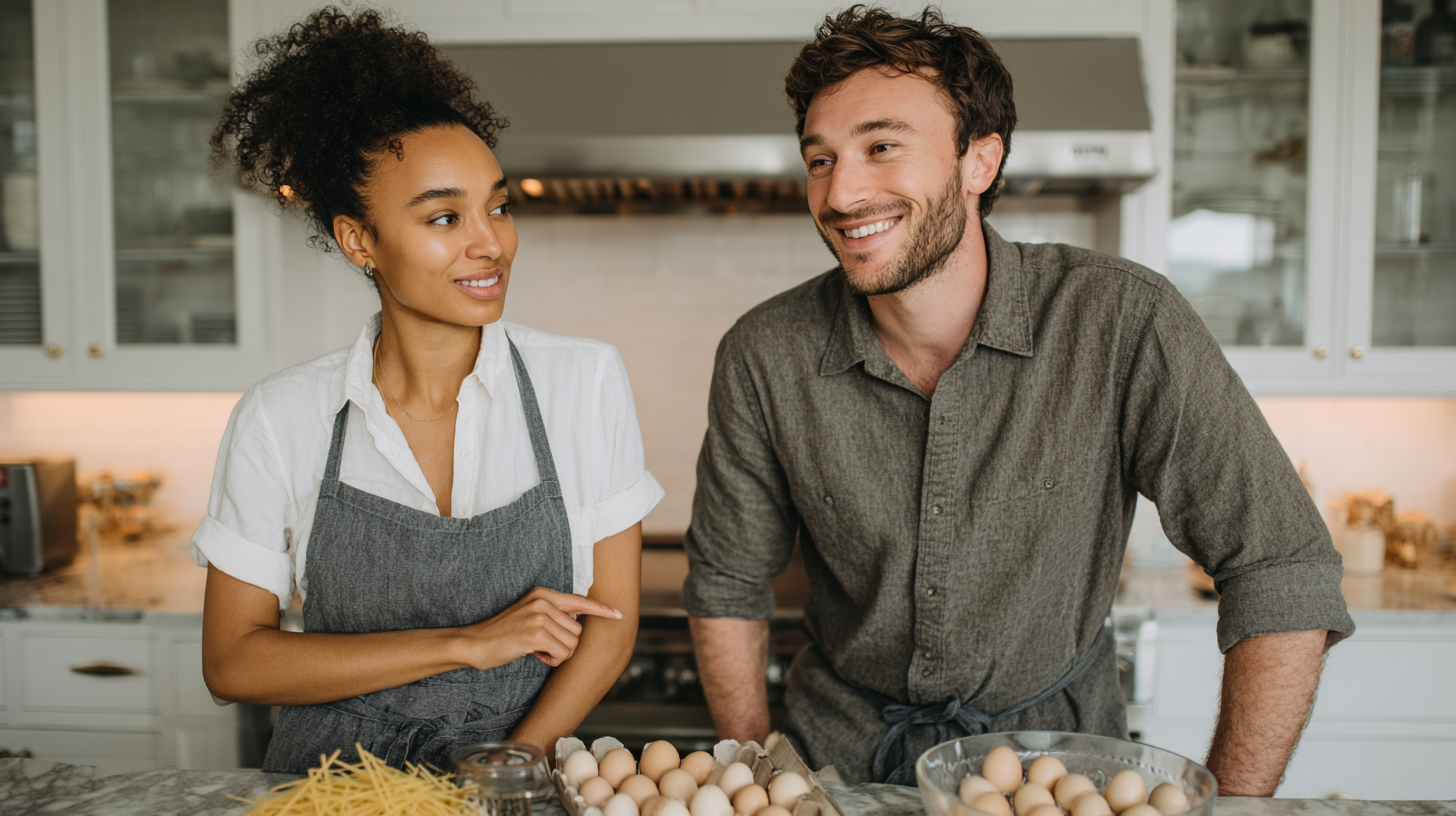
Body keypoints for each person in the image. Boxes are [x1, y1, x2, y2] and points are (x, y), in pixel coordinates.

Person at [682, 6, 1354, 794]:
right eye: (821, 159)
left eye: (882, 147)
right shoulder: (765, 352)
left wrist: (1234, 808)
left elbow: (1281, 568)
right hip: (839, 776)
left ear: (980, 161)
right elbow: (727, 583)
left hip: (1061, 779)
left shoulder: (1122, 322)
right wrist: (761, 780)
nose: (842, 192)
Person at [195, 8, 662, 773]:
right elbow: (235, 661)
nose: (491, 242)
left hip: (513, 783)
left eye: (499, 206)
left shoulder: (584, 381)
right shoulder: (282, 417)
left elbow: (611, 626)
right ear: (359, 241)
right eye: (446, 216)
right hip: (331, 788)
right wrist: (467, 644)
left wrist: (511, 765)